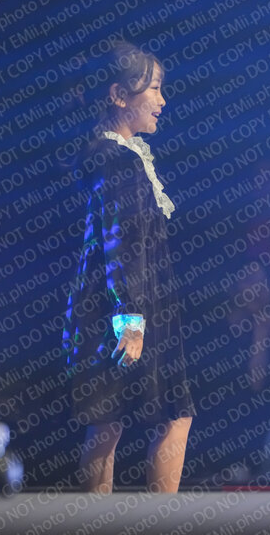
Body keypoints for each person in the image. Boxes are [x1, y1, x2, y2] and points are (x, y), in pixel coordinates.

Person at [62, 41, 195, 493]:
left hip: (126, 302)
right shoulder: (116, 159)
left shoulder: (118, 155)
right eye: (153, 88)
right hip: (124, 306)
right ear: (120, 96)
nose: (162, 100)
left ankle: (100, 519)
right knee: (165, 416)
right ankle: (154, 520)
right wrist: (131, 318)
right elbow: (119, 240)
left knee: (112, 421)